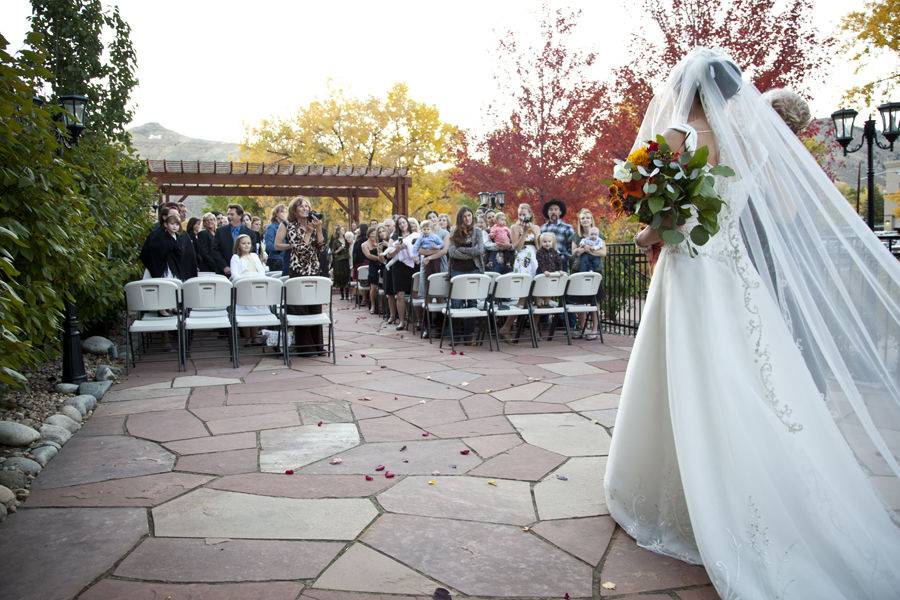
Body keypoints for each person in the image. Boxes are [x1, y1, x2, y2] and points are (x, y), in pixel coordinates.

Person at [604, 48, 900, 599]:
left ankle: (695, 496)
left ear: (686, 88)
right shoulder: (749, 146)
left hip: (690, 271)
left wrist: (643, 236)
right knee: (746, 374)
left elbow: (668, 218)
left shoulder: (677, 138)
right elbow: (758, 210)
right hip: (732, 272)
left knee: (687, 373)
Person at [274, 196, 326, 355]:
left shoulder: (314, 224)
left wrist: (317, 230)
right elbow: (281, 246)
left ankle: (318, 346)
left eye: (307, 206)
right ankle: (305, 348)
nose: (305, 208)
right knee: (301, 309)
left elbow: (321, 247)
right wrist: (294, 244)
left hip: (314, 269)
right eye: (301, 206)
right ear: (294, 210)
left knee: (315, 308)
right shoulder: (287, 224)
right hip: (297, 269)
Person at [446, 206, 484, 343]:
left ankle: (469, 336)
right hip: (457, 270)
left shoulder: (478, 232)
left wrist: (461, 250)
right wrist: (469, 251)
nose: (468, 218)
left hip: (474, 269)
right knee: (456, 302)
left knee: (472, 302)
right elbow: (451, 252)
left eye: (470, 215)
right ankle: (455, 336)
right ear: (460, 218)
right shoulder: (454, 231)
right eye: (465, 216)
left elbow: (479, 250)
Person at [570, 208, 605, 341]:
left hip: (595, 271)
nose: (585, 220)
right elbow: (573, 253)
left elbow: (603, 252)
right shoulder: (576, 236)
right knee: (580, 300)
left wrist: (589, 251)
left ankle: (595, 328)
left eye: (588, 218)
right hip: (579, 270)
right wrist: (581, 249)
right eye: (583, 218)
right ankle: (581, 327)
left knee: (594, 300)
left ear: (591, 220)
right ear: (580, 221)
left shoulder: (598, 234)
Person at [229, 233, 267, 344]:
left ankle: (255, 336)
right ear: (238, 245)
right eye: (243, 243)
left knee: (255, 311)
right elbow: (235, 274)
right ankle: (247, 337)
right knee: (245, 310)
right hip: (243, 286)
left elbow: (261, 271)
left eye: (248, 243)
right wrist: (244, 282)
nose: (246, 245)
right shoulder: (236, 257)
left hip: (256, 285)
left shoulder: (255, 256)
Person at [386, 216, 417, 330]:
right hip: (398, 267)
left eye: (404, 222)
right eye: (400, 224)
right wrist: (398, 249)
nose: (402, 225)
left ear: (407, 223)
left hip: (413, 266)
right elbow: (388, 255)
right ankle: (402, 321)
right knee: (400, 295)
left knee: (415, 293)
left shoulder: (415, 235)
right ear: (397, 226)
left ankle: (416, 319)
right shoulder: (394, 237)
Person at [213, 203, 261, 276]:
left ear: (240, 215)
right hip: (224, 272)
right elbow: (215, 250)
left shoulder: (250, 233)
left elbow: (252, 251)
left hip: (244, 272)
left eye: (232, 214)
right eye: (228, 214)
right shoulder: (220, 231)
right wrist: (224, 266)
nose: (229, 216)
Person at [540, 199, 575, 265]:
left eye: (556, 209)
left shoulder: (567, 228)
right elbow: (539, 245)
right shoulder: (542, 228)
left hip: (562, 260)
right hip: (545, 262)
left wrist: (566, 257)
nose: (553, 212)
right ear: (547, 213)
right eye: (551, 210)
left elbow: (572, 247)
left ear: (560, 212)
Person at [264, 204, 287, 272]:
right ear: (276, 214)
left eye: (286, 212)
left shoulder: (288, 226)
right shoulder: (271, 228)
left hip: (286, 259)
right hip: (276, 261)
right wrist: (281, 248)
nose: (285, 214)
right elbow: (268, 246)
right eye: (282, 211)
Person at [331, 225, 351, 300]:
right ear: (339, 231)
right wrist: (339, 249)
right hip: (339, 261)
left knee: (346, 276)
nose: (343, 231)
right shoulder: (335, 241)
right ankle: (342, 295)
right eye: (342, 230)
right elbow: (333, 252)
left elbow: (349, 248)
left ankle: (347, 295)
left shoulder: (346, 240)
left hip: (346, 260)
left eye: (344, 230)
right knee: (341, 277)